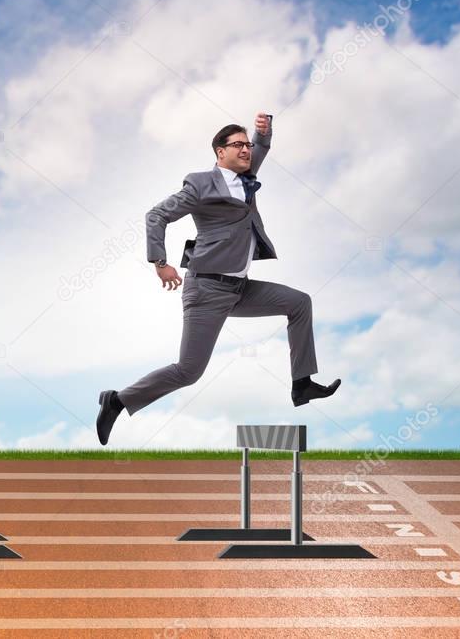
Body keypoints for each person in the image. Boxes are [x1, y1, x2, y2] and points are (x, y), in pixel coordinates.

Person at [96, 113, 340, 445]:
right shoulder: (200, 184)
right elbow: (156, 215)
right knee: (188, 372)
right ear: (219, 152)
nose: (246, 150)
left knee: (299, 303)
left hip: (240, 289)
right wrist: (159, 261)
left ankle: (302, 383)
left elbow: (261, 148)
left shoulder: (248, 175)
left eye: (247, 145)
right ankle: (117, 400)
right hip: (207, 289)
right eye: (238, 145)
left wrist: (262, 133)